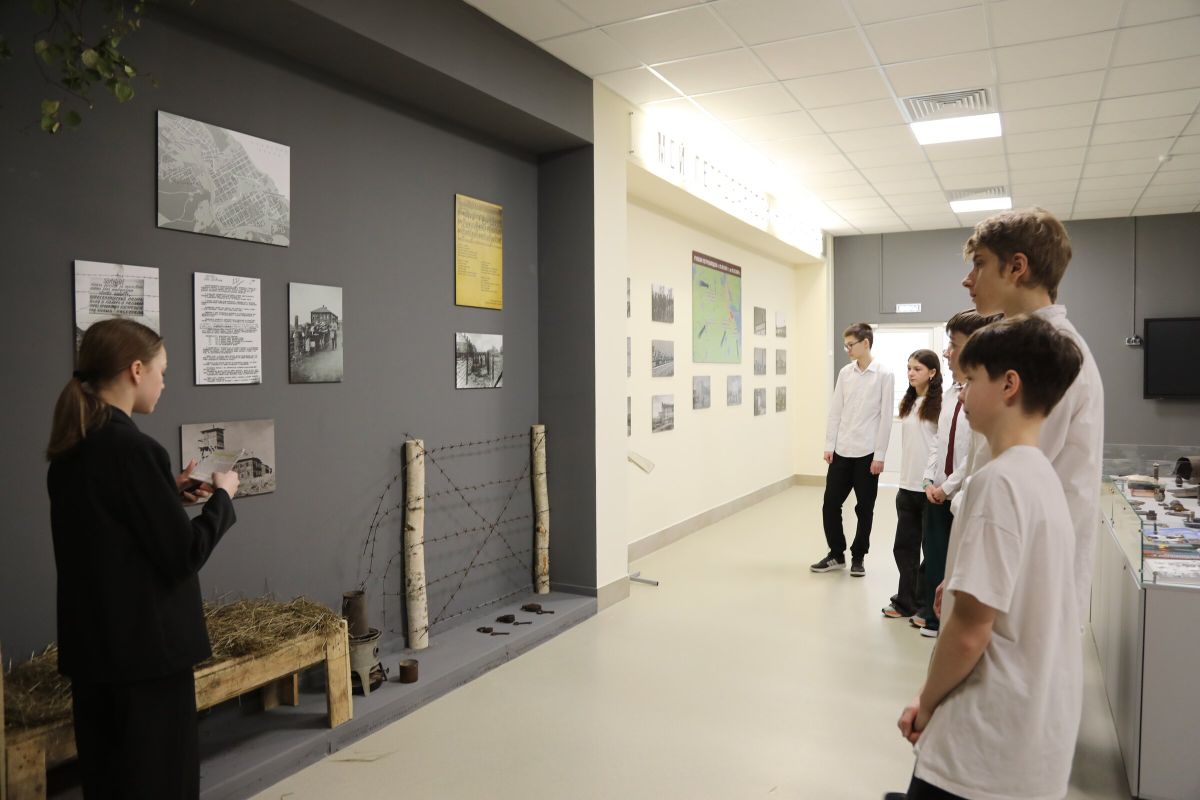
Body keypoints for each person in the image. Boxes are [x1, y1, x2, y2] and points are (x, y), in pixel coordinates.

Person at [46, 318, 240, 799]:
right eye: (162, 371)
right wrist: (223, 499)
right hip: (148, 661)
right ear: (136, 370)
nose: (164, 383)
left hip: (95, 656)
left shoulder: (72, 446)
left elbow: (111, 533)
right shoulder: (136, 450)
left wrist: (165, 492)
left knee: (110, 783)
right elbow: (184, 554)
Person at [894, 315, 1085, 800]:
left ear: (1008, 385)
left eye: (970, 381)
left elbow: (968, 632)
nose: (961, 395)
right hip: (1028, 738)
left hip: (981, 746)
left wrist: (925, 703)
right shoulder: (1040, 474)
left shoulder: (998, 482)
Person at [933, 207, 1104, 625]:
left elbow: (1010, 483)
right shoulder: (1023, 346)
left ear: (1016, 267)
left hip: (1020, 579)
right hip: (1003, 567)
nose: (968, 279)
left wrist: (968, 574)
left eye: (979, 264)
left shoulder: (1048, 353)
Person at [911, 310, 999, 638]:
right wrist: (929, 480)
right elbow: (939, 439)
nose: (946, 353)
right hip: (937, 490)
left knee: (960, 560)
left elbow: (976, 453)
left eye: (953, 345)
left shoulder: (983, 396)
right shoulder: (951, 394)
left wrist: (947, 487)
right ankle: (933, 616)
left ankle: (948, 620)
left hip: (960, 492)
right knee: (935, 557)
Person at [812, 322, 894, 577]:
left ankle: (859, 557)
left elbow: (886, 418)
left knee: (864, 508)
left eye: (850, 345)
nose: (847, 349)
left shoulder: (884, 375)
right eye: (845, 345)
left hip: (867, 454)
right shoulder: (845, 373)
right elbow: (835, 411)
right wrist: (829, 445)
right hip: (842, 451)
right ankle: (836, 554)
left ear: (865, 343)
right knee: (830, 504)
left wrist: (880, 455)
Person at [882, 349, 941, 619]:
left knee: (930, 549)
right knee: (904, 547)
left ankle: (924, 604)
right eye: (909, 368)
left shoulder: (940, 404)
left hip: (929, 488)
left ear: (932, 372)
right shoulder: (908, 403)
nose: (911, 373)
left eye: (917, 369)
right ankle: (905, 601)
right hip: (906, 486)